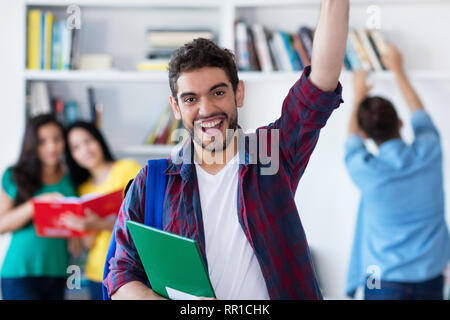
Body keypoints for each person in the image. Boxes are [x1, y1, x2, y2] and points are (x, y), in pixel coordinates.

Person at [104, 0, 348, 300]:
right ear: (176, 107)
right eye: (191, 99)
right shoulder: (153, 181)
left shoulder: (271, 152)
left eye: (218, 93)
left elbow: (321, 81)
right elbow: (120, 275)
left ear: (239, 92)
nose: (206, 109)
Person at [345, 44, 450, 300]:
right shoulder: (430, 151)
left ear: (365, 134)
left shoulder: (365, 170)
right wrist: (399, 70)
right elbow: (420, 115)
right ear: (401, 123)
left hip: (381, 280)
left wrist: (358, 93)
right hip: (430, 277)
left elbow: (351, 142)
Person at [0, 114, 78, 300]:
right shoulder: (15, 175)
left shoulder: (70, 179)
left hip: (58, 272)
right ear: (32, 144)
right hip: (20, 272)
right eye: (42, 141)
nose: (51, 147)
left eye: (57, 139)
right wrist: (36, 205)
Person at [61, 121, 141, 300]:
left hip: (132, 271)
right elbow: (89, 244)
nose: (85, 150)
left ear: (99, 140)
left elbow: (142, 221)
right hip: (97, 273)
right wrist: (85, 228)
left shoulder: (127, 168)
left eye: (88, 141)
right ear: (71, 155)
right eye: (76, 147)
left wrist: (97, 223)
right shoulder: (82, 190)